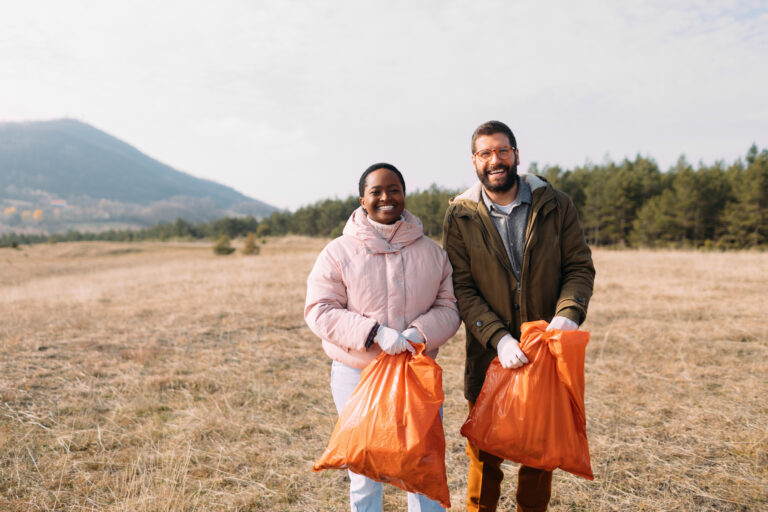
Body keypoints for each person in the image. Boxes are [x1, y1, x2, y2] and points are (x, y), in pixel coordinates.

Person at [442, 121, 596, 512]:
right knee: (483, 458)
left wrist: (568, 315)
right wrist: (498, 337)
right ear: (474, 161)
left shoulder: (556, 204)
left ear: (516, 155)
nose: (495, 160)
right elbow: (462, 287)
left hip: (546, 352)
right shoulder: (459, 215)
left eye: (502, 151)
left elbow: (578, 267)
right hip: (489, 355)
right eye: (485, 153)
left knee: (539, 459)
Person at [305, 163, 461, 512]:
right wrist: (374, 333)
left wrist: (417, 334)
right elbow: (319, 309)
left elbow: (449, 307)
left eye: (393, 189)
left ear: (404, 195)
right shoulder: (338, 252)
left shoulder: (432, 253)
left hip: (415, 374)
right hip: (357, 374)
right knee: (364, 467)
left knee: (420, 463)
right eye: (376, 191)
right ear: (362, 199)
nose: (386, 197)